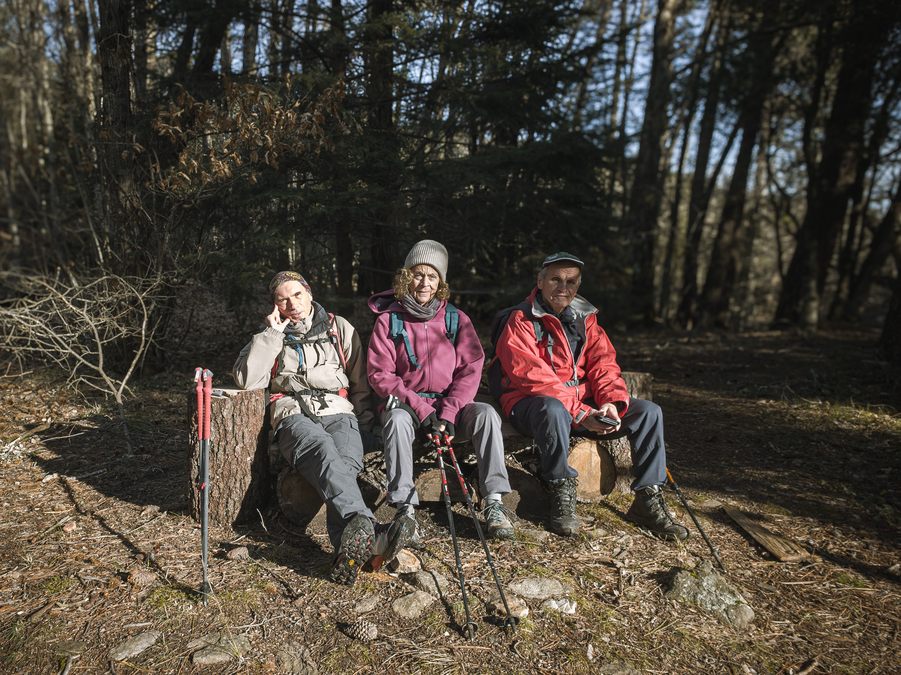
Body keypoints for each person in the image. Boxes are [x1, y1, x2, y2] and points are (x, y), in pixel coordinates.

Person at [233, 271, 413, 585]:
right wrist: (272, 335)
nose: (292, 304)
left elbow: (359, 383)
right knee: (322, 449)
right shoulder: (269, 336)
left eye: (297, 295)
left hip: (340, 412)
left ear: (309, 293)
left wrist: (364, 422)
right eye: (282, 299)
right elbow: (246, 380)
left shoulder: (339, 328)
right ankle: (374, 536)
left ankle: (351, 552)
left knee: (345, 461)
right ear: (275, 305)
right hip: (293, 415)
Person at [494, 252, 689, 540]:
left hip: (579, 405)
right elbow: (531, 376)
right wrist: (580, 412)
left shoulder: (586, 318)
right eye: (556, 279)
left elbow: (604, 364)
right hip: (529, 404)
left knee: (649, 413)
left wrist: (610, 403)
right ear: (540, 281)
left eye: (571, 281)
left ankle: (648, 497)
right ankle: (560, 490)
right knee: (553, 408)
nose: (564, 287)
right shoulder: (520, 319)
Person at [367, 240, 515, 540]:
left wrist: (448, 413)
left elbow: (471, 368)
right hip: (408, 410)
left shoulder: (456, 320)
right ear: (406, 277)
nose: (424, 282)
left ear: (440, 283)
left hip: (451, 410)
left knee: (486, 413)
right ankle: (404, 508)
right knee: (395, 420)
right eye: (418, 274)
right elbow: (380, 374)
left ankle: (495, 501)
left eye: (432, 277)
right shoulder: (388, 321)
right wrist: (421, 411)